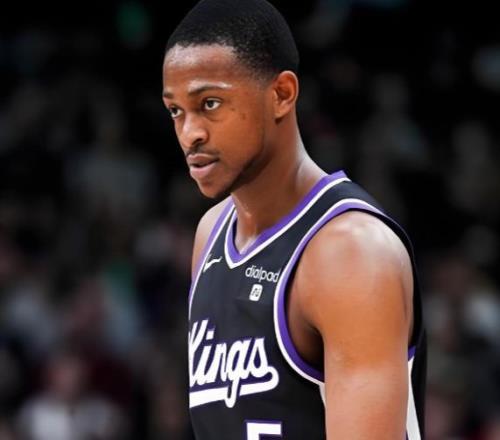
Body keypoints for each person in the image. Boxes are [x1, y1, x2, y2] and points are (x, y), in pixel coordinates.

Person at [161, 0, 426, 438]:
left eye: (210, 103)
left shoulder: (350, 251)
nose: (190, 133)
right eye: (175, 111)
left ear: (282, 94)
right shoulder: (211, 234)